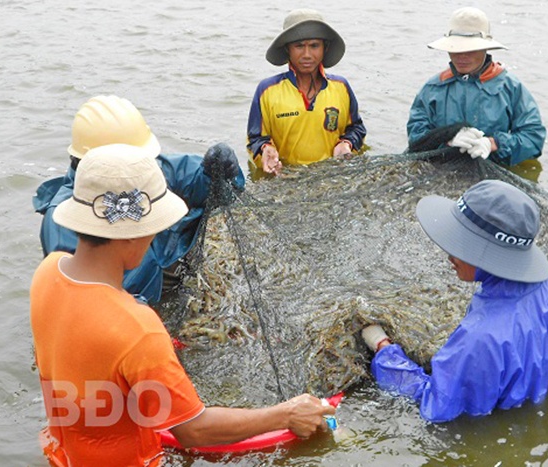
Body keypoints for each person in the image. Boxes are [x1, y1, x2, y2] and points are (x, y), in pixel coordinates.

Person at [30, 143, 335, 467]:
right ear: (132, 235)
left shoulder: (48, 272)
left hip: (62, 456)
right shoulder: (138, 329)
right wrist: (287, 414)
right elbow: (193, 429)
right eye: (154, 229)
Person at [360, 179, 548, 423]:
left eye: (460, 244)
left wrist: (385, 352)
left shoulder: (480, 339)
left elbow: (436, 406)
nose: (448, 253)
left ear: (487, 253)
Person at [32, 95, 245, 304]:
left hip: (162, 276)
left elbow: (204, 184)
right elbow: (87, 298)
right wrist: (138, 317)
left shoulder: (149, 172)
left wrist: (218, 172)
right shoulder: (63, 220)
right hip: (124, 302)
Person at [406, 7, 546, 167]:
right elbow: (416, 136)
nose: (461, 57)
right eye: (455, 49)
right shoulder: (433, 88)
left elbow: (533, 139)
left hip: (493, 173)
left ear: (485, 49)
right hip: (442, 169)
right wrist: (448, 140)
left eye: (470, 50)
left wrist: (493, 143)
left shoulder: (510, 88)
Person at [247, 8, 366, 175]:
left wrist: (346, 144)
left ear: (325, 48)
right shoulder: (267, 90)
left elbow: (356, 129)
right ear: (287, 49)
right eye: (299, 46)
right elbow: (255, 139)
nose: (307, 54)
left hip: (331, 177)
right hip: (286, 178)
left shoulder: (341, 87)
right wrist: (265, 149)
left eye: (314, 46)